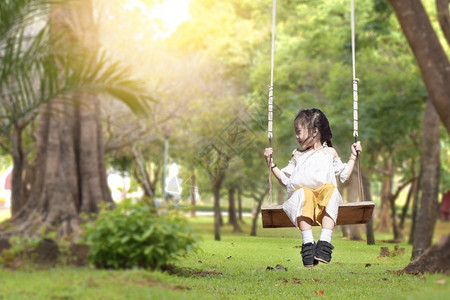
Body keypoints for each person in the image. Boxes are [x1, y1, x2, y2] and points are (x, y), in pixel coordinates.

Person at [264, 108, 362, 267]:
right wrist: (271, 163)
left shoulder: (329, 152)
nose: (296, 136)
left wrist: (353, 157)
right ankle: (308, 245)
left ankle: (324, 244)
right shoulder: (297, 155)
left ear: (315, 131)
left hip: (323, 202)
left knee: (331, 190)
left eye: (299, 132)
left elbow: (343, 175)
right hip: (302, 202)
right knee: (304, 193)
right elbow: (285, 179)